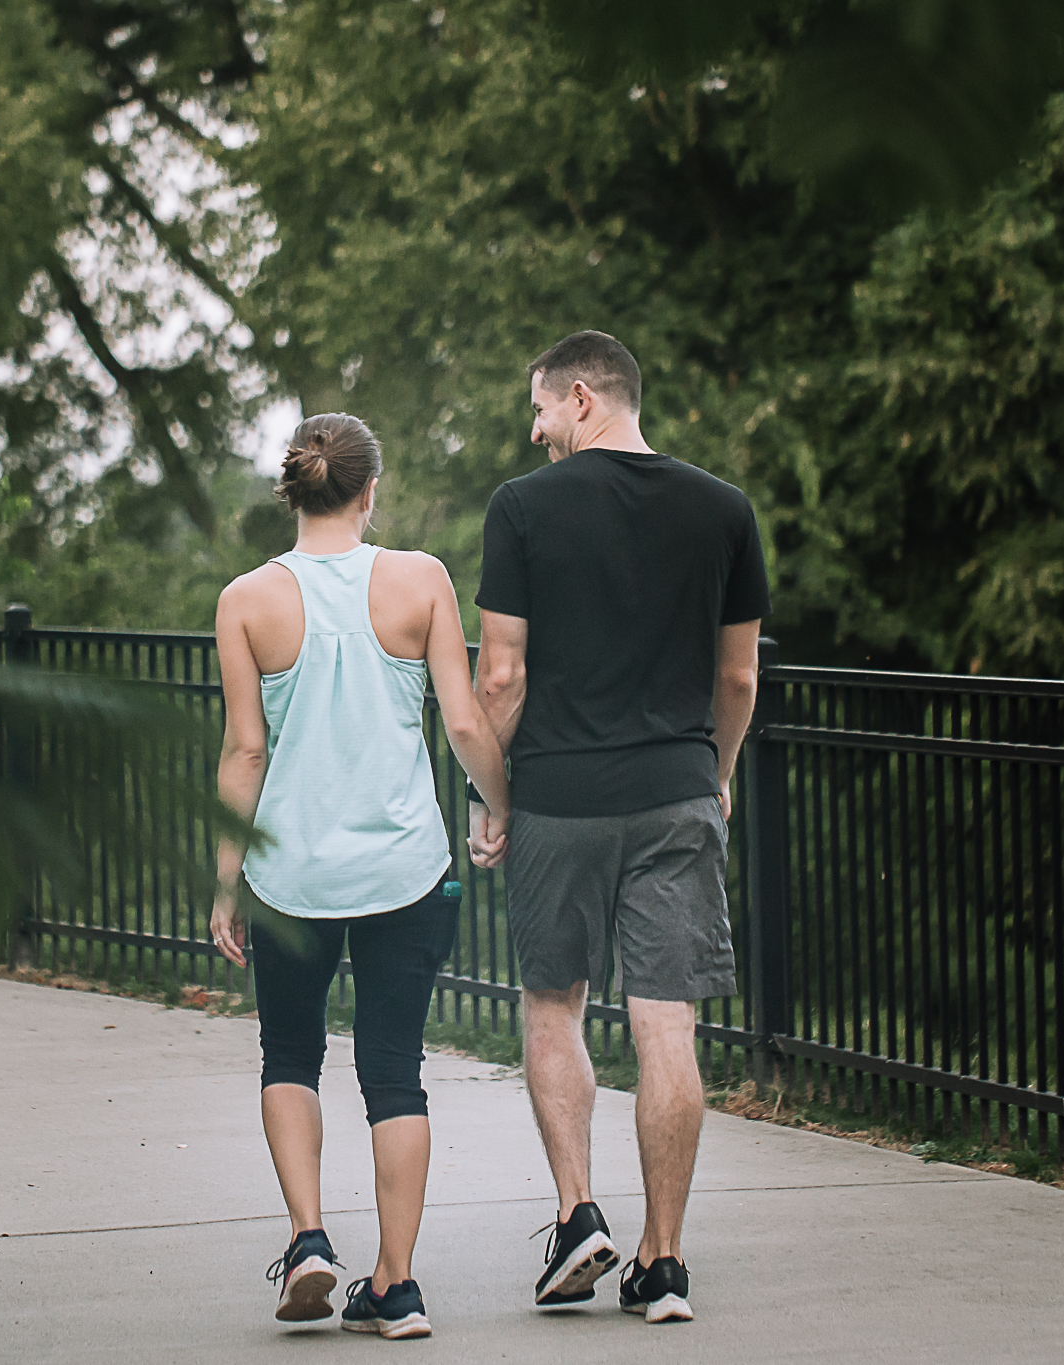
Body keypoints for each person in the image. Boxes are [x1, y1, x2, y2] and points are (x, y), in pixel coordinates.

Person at [466, 331, 767, 1325]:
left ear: (583, 396)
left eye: (541, 408)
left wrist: (492, 800)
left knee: (551, 1006)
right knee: (665, 1021)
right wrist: (712, 774)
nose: (536, 429)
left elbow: (499, 677)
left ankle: (575, 1218)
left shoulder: (518, 507)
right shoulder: (724, 509)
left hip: (557, 795)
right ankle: (663, 1261)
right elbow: (736, 677)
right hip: (676, 787)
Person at [209, 412, 511, 1340]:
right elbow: (463, 722)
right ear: (370, 490)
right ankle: (397, 1283)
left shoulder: (246, 600)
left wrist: (226, 880)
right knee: (394, 1070)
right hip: (404, 868)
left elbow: (244, 753)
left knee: (289, 1055)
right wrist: (500, 803)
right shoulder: (421, 580)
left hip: (291, 875)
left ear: (293, 489)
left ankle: (308, 1242)